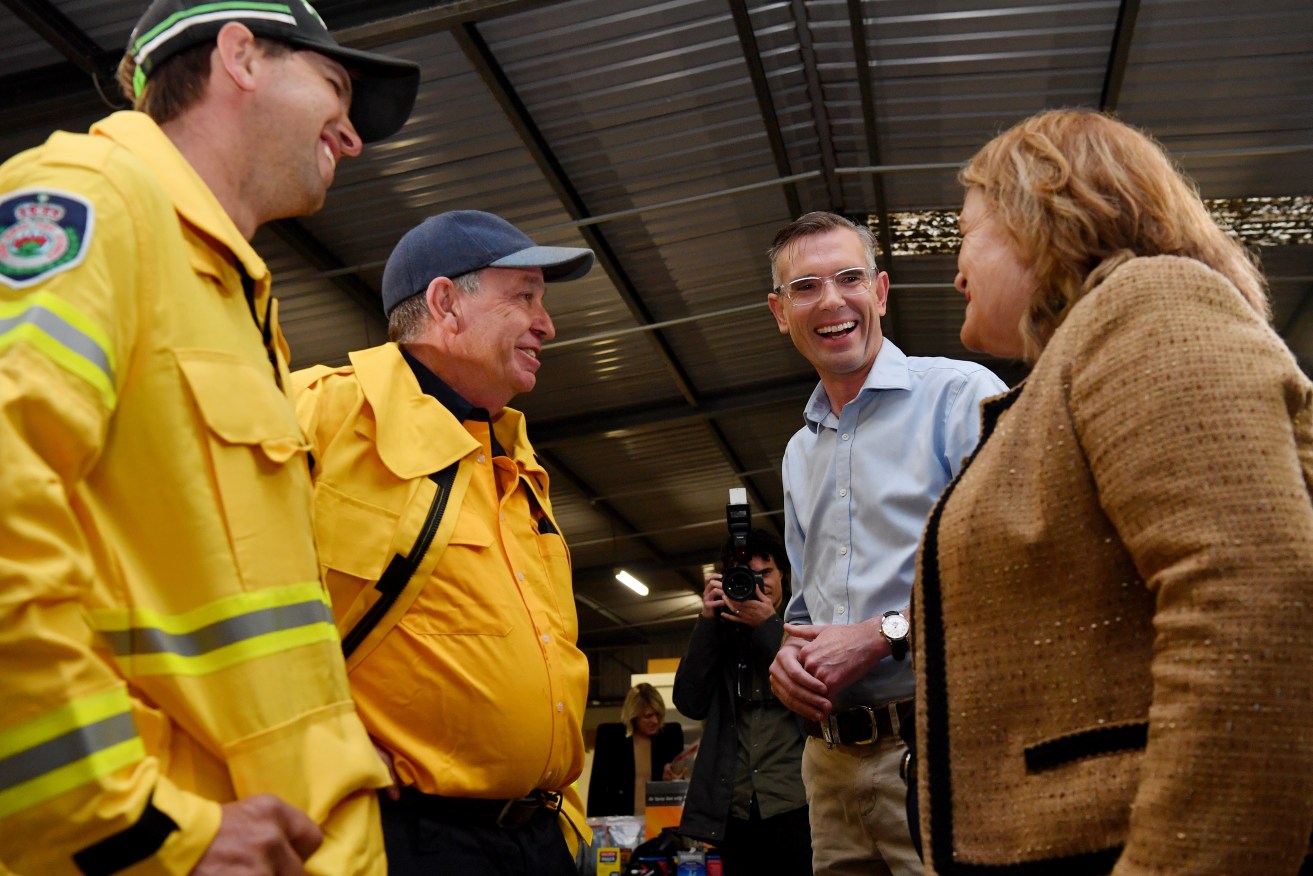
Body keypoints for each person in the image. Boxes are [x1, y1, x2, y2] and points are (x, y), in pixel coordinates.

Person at [0, 1, 417, 873]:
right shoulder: (87, 200)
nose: (352, 138)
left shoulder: (236, 299)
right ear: (240, 56)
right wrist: (136, 829)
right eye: (335, 88)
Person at [910, 108, 1313, 875]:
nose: (954, 269)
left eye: (965, 233)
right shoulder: (1066, 368)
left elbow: (1249, 590)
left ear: (1038, 216)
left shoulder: (1151, 302)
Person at [292, 210, 595, 876]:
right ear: (445, 305)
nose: (547, 325)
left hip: (536, 838)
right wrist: (315, 732)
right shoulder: (324, 414)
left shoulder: (515, 462)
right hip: (410, 838)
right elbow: (204, 574)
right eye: (524, 298)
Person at [763, 211, 1006, 876]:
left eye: (849, 278)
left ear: (880, 291)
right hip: (829, 767)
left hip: (939, 751)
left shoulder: (961, 399)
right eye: (805, 287)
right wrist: (787, 655)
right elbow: (807, 609)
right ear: (779, 312)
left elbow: (1010, 578)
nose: (832, 301)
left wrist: (883, 633)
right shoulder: (798, 450)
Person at [673, 528, 812, 875]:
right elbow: (689, 702)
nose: (758, 584)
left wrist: (768, 626)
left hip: (798, 803)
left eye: (765, 573)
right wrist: (707, 622)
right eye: (747, 576)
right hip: (735, 807)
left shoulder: (805, 624)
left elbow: (816, 688)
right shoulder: (718, 634)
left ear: (783, 574)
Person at [589, 683, 686, 818]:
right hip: (620, 825)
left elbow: (680, 788)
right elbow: (597, 789)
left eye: (658, 714)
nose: (655, 720)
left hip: (661, 821)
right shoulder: (610, 738)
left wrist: (674, 780)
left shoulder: (670, 737)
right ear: (633, 716)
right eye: (648, 716)